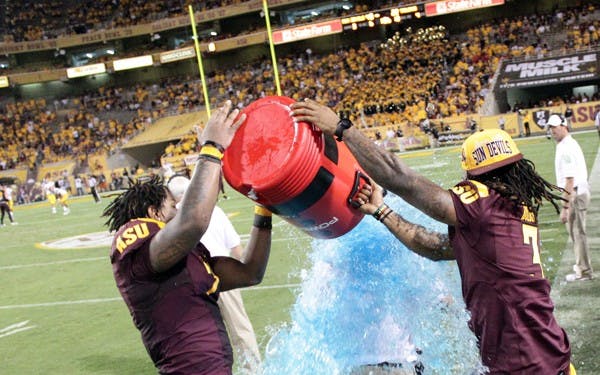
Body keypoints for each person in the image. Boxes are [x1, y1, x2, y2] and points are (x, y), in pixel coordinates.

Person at [291, 99, 574, 375]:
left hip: (524, 364)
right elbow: (436, 248)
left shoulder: (483, 205)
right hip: (549, 355)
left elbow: (401, 179)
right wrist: (381, 210)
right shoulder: (513, 210)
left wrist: (342, 129)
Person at [102, 101, 272, 375]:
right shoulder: (136, 244)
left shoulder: (183, 257)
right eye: (172, 207)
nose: (178, 210)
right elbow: (192, 221)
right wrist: (211, 148)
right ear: (152, 213)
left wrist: (263, 206)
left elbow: (250, 273)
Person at [168, 175, 261, 373]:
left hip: (192, 282)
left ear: (174, 197)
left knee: (200, 334)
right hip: (224, 275)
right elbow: (236, 247)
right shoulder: (215, 210)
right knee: (240, 328)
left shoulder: (173, 217)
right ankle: (253, 369)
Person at [547, 114, 593, 282]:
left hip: (575, 193)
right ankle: (582, 267)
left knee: (578, 234)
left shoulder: (566, 147)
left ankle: (584, 270)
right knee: (577, 233)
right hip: (577, 192)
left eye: (555, 127)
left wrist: (565, 207)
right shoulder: (566, 144)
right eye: (550, 128)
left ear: (564, 125)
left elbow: (570, 180)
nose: (552, 131)